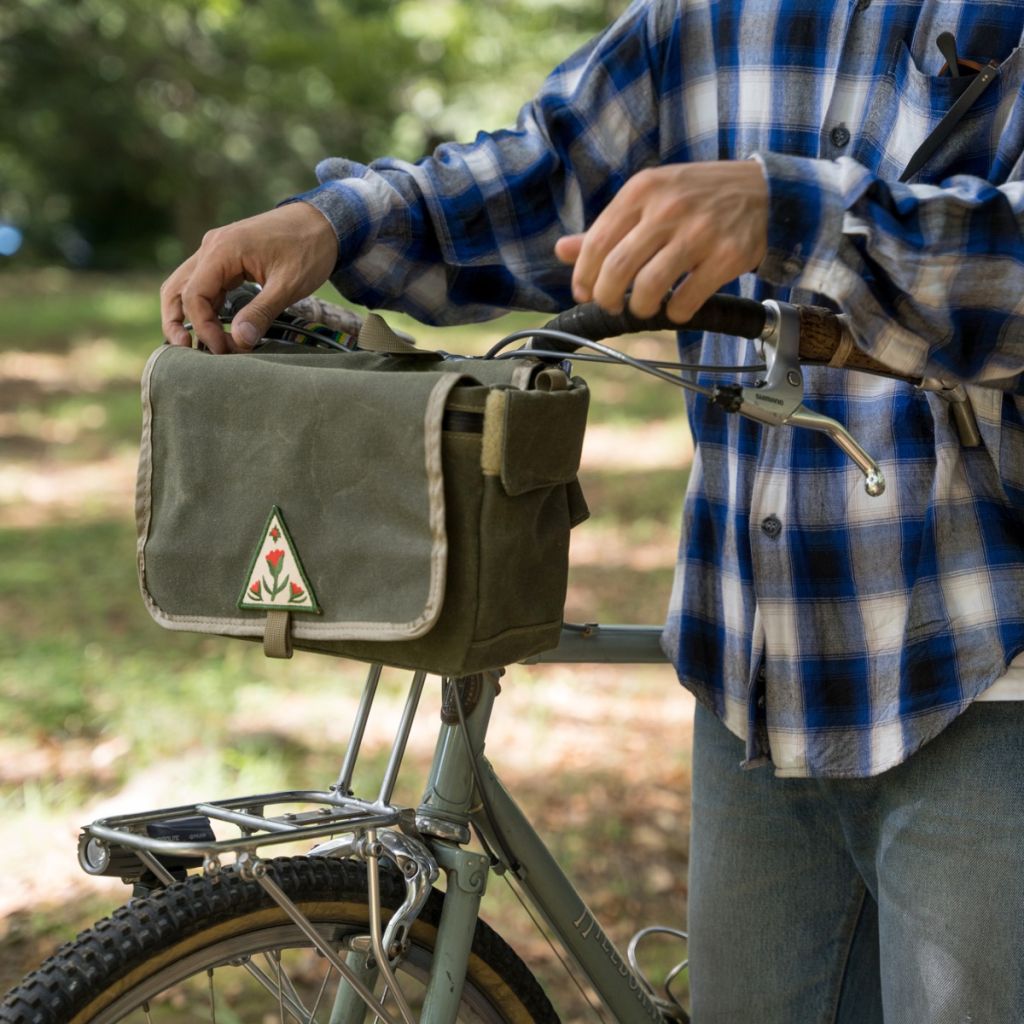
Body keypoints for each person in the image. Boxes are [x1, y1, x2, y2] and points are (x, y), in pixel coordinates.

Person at [161, 1, 1024, 1020]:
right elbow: (549, 173)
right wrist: (335, 220)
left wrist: (793, 214)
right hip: (754, 665)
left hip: (985, 667)